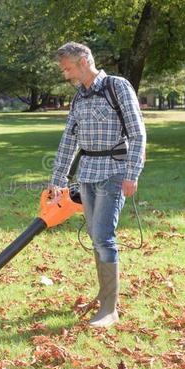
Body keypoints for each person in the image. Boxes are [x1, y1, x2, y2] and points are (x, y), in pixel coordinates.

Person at [49, 42, 146, 328]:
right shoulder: (78, 98)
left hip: (115, 172)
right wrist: (58, 179)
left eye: (68, 69)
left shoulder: (117, 87)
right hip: (87, 174)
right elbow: (69, 140)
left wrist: (133, 172)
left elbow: (138, 132)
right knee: (95, 235)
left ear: (83, 61)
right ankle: (106, 296)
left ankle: (109, 310)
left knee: (103, 236)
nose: (66, 75)